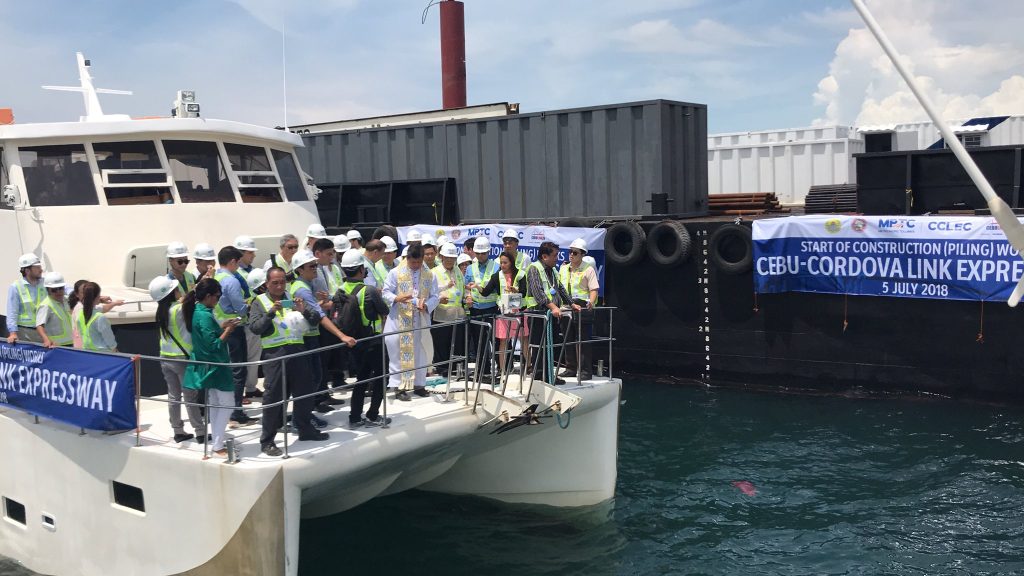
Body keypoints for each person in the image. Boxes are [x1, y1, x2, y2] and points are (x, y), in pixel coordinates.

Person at [249, 267, 323, 454]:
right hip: (275, 356)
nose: (280, 285)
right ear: (267, 284)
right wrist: (271, 312)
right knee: (273, 398)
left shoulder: (293, 298)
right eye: (275, 282)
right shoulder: (259, 302)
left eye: (282, 281)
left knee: (304, 393)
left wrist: (303, 310)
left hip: (298, 352)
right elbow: (255, 328)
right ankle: (267, 441)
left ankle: (305, 429)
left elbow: (315, 320)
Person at [291, 248, 357, 422]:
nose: (315, 268)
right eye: (311, 266)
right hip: (306, 338)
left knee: (315, 376)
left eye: (315, 265)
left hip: (310, 336)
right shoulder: (302, 290)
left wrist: (320, 301)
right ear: (300, 269)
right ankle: (304, 416)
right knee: (310, 378)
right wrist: (341, 336)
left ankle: (307, 413)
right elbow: (319, 315)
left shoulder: (306, 286)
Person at [182, 278, 242, 456]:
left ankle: (217, 442)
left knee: (216, 404)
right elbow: (214, 345)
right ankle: (217, 444)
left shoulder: (199, 312)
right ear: (208, 296)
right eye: (217, 296)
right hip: (217, 367)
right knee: (227, 404)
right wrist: (228, 331)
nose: (218, 299)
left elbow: (207, 333)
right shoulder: (205, 315)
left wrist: (222, 325)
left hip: (208, 367)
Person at [336, 250, 391, 428]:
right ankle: (373, 415)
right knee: (383, 377)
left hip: (353, 343)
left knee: (361, 379)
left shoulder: (340, 291)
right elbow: (385, 310)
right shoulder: (370, 290)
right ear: (361, 270)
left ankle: (354, 416)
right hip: (373, 342)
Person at [382, 245, 439, 400]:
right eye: (412, 262)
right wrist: (396, 298)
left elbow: (435, 296)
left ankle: (419, 384)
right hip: (399, 319)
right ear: (407, 259)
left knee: (420, 352)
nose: (415, 266)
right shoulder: (395, 273)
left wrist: (426, 305)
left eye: (418, 263)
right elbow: (385, 292)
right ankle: (400, 387)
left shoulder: (430, 275)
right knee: (398, 353)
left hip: (419, 319)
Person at [149, 276, 201, 443]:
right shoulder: (179, 309)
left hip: (165, 358)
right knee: (190, 396)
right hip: (181, 359)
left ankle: (178, 430)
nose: (179, 290)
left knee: (173, 396)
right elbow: (192, 299)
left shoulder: (161, 312)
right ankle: (200, 431)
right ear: (171, 293)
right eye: (176, 288)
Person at [212, 246, 256, 427]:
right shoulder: (231, 281)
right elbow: (240, 308)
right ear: (232, 262)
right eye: (237, 263)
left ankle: (224, 408)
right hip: (234, 329)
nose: (238, 266)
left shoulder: (216, 277)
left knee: (226, 370)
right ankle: (236, 411)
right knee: (238, 371)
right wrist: (252, 303)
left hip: (219, 328)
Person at [525, 242, 579, 384]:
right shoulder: (534, 269)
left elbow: (560, 288)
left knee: (551, 345)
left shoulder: (553, 270)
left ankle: (549, 375)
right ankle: (539, 376)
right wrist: (553, 307)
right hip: (538, 314)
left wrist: (571, 303)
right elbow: (538, 293)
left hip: (552, 315)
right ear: (544, 256)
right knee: (539, 346)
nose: (557, 258)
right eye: (555, 255)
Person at [476, 252, 531, 376]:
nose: (503, 265)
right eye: (501, 262)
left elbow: (525, 291)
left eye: (505, 262)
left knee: (524, 339)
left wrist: (516, 290)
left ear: (511, 262)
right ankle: (502, 369)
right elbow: (486, 292)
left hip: (519, 311)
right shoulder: (496, 276)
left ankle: (528, 366)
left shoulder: (521, 275)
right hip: (504, 313)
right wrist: (476, 287)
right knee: (503, 341)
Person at [558, 238, 600, 381]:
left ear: (582, 254)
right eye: (570, 252)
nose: (571, 255)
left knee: (583, 340)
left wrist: (591, 303)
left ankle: (585, 371)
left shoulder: (588, 269)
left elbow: (594, 289)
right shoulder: (563, 268)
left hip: (581, 308)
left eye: (575, 253)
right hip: (565, 308)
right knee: (568, 339)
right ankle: (570, 369)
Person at [234, 236, 264, 401]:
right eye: (250, 252)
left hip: (254, 318)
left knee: (254, 356)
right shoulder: (237, 274)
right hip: (244, 320)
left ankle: (251, 388)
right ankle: (241, 391)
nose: (253, 255)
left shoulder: (251, 271)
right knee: (243, 358)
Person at [464, 237, 499, 377]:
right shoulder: (470, 268)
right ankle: (483, 371)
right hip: (476, 309)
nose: (480, 256)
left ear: (489, 252)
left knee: (496, 340)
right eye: (478, 253)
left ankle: (501, 369)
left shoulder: (496, 267)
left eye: (483, 253)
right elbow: (467, 287)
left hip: (493, 308)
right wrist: (468, 296)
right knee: (480, 341)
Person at [432, 243, 466, 372]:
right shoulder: (434, 272)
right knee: (442, 343)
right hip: (442, 314)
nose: (450, 260)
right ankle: (443, 369)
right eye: (447, 257)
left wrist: (466, 297)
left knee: (458, 343)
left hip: (458, 314)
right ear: (441, 257)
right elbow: (430, 292)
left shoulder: (458, 271)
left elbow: (462, 288)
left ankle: (457, 369)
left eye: (452, 258)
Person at [7, 253, 44, 344]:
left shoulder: (45, 282)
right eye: (37, 267)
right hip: (25, 333)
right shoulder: (16, 287)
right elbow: (12, 312)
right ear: (27, 270)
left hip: (44, 332)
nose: (41, 270)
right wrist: (13, 333)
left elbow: (64, 287)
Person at [75, 282, 119, 352]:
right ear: (97, 297)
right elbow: (109, 338)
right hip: (103, 354)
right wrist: (115, 350)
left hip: (88, 352)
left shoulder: (79, 314)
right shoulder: (100, 317)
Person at [35, 272, 73, 348]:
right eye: (54, 290)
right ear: (48, 290)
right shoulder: (46, 305)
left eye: (61, 288)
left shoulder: (67, 300)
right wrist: (46, 340)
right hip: (58, 346)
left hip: (72, 343)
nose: (58, 292)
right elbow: (39, 325)